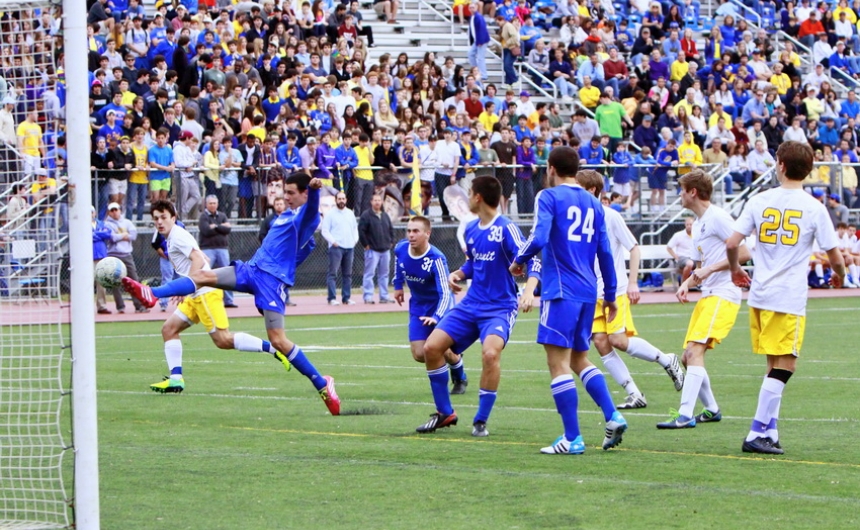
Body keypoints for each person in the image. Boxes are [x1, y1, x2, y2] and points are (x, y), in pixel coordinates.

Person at [122, 173, 342, 416]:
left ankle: (322, 383)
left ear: (302, 193)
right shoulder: (285, 216)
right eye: (284, 192)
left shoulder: (306, 217)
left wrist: (313, 191)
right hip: (252, 270)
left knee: (278, 340)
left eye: (291, 193)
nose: (285, 196)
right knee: (203, 276)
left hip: (271, 282)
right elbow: (296, 253)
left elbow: (311, 211)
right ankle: (151, 293)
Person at [726, 141, 845, 455]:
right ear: (809, 169)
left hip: (761, 294)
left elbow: (733, 242)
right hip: (787, 296)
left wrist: (736, 269)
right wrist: (840, 276)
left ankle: (770, 430)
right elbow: (835, 257)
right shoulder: (814, 207)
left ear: (779, 164)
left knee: (773, 364)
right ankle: (755, 431)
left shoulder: (759, 200)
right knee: (786, 366)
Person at [509, 149, 626, 454]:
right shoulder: (595, 204)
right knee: (578, 359)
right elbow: (605, 253)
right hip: (588, 291)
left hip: (561, 290)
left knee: (557, 362)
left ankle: (572, 438)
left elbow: (540, 236)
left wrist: (519, 260)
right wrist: (610, 295)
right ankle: (613, 415)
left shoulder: (548, 197)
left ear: (551, 168)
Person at [416, 176, 539, 437]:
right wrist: (458, 274)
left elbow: (532, 260)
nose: (466, 198)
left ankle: (481, 420)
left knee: (490, 354)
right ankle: (444, 413)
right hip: (471, 303)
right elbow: (473, 263)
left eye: (469, 193)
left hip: (500, 306)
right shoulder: (471, 229)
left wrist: (529, 291)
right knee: (431, 348)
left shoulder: (507, 228)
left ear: (478, 197)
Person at [148, 200, 292, 393]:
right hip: (195, 294)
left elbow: (198, 259)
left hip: (205, 293)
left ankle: (274, 349)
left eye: (163, 217)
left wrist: (187, 285)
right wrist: (187, 287)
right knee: (169, 329)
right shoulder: (170, 236)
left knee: (223, 340)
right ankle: (176, 379)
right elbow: (203, 257)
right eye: (156, 218)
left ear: (173, 218)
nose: (159, 221)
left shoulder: (177, 235)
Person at [576, 169, 685, 410]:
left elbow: (634, 248)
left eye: (578, 187)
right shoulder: (577, 218)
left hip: (614, 289)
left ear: (591, 190)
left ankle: (668, 360)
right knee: (601, 342)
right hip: (591, 292)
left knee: (619, 340)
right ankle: (634, 393)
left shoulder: (610, 216)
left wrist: (633, 282)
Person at [657, 169, 750, 430]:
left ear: (693, 192)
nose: (679, 195)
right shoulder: (697, 225)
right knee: (688, 357)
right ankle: (711, 409)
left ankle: (685, 415)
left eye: (682, 190)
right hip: (708, 295)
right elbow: (701, 265)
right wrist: (687, 283)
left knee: (694, 351)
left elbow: (743, 251)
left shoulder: (718, 217)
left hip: (723, 295)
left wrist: (709, 270)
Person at [393, 216, 468, 394]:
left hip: (440, 307)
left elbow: (445, 293)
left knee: (439, 349)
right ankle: (452, 357)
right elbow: (398, 264)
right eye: (409, 231)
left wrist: (436, 317)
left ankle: (459, 376)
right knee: (420, 354)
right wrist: (398, 286)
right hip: (418, 306)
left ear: (427, 233)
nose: (411, 235)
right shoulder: (401, 248)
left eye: (415, 231)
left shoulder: (436, 258)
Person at [104, 202, 147, 314]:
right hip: (113, 255)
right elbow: (112, 237)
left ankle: (139, 305)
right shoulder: (107, 224)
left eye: (116, 210)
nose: (114, 212)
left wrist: (121, 236)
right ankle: (120, 306)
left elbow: (134, 235)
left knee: (134, 280)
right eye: (112, 210)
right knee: (115, 282)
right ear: (109, 212)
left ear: (120, 210)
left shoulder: (127, 222)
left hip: (127, 255)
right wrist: (124, 235)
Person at [321, 191, 359, 306]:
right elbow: (325, 230)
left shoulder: (350, 213)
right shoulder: (330, 214)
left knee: (347, 274)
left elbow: (354, 229)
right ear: (336, 200)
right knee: (333, 274)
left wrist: (354, 241)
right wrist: (334, 242)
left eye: (343, 199)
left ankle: (346, 298)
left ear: (346, 200)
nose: (341, 201)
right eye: (339, 199)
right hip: (336, 248)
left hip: (349, 248)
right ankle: (331, 298)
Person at [199, 195, 236, 308]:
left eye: (214, 203)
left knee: (227, 274)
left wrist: (215, 226)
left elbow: (228, 229)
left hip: (222, 249)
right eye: (210, 203)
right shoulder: (203, 217)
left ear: (217, 204)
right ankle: (202, 298)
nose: (213, 205)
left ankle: (228, 300)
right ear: (206, 204)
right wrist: (221, 228)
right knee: (204, 274)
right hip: (207, 249)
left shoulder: (222, 215)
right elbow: (206, 231)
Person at [358, 193, 395, 304]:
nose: (377, 202)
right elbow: (361, 231)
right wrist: (366, 244)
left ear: (382, 202)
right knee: (369, 274)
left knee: (384, 274)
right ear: (371, 202)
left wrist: (391, 241)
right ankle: (368, 296)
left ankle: (384, 296)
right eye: (375, 200)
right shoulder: (366, 215)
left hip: (385, 250)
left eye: (379, 200)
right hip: (372, 250)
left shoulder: (384, 215)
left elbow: (391, 229)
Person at [92, 206, 113, 315]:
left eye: (91, 212)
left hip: (101, 256)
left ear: (94, 213)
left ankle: (101, 306)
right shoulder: (82, 224)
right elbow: (86, 235)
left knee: (102, 283)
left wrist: (96, 235)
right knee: (88, 283)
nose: (90, 214)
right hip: (89, 258)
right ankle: (86, 307)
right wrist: (99, 235)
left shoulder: (101, 223)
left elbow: (108, 234)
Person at [667, 216, 695, 282]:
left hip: (695, 257)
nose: (689, 226)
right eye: (687, 224)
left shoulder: (698, 234)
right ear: (685, 225)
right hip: (683, 258)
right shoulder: (678, 235)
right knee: (690, 263)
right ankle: (684, 282)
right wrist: (676, 257)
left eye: (691, 224)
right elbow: (669, 247)